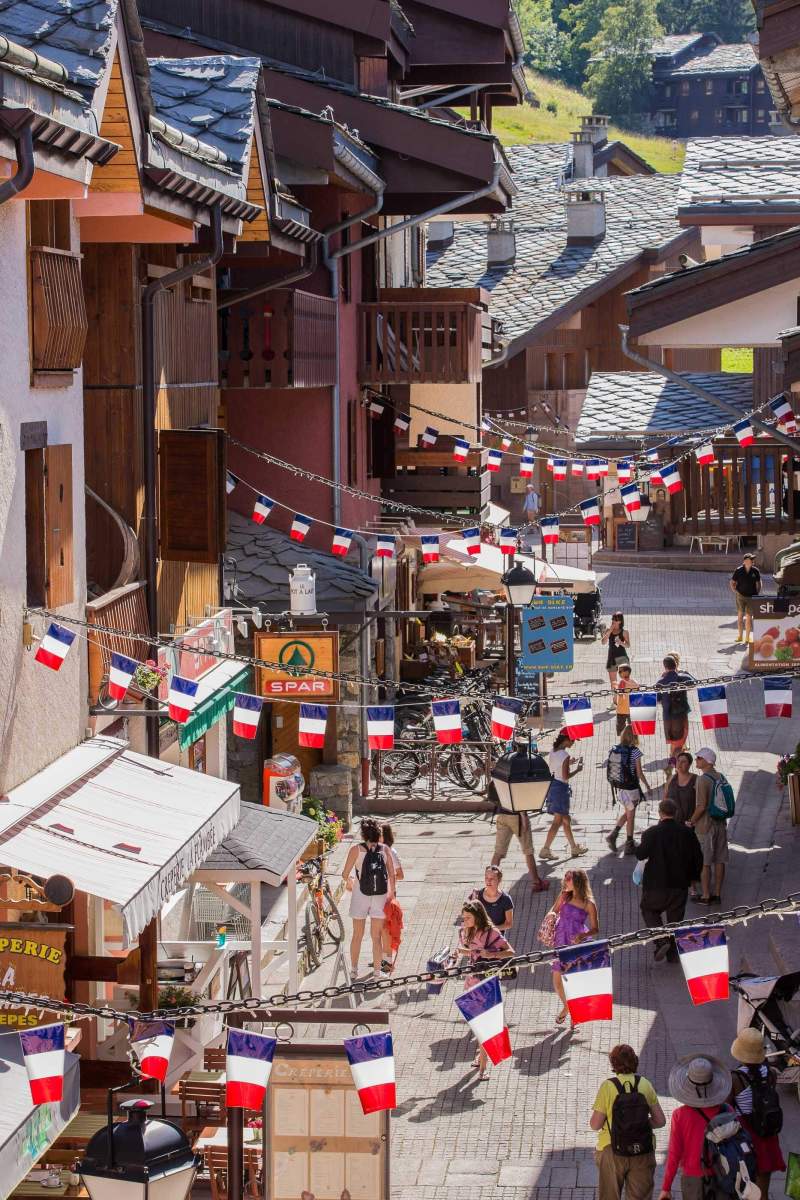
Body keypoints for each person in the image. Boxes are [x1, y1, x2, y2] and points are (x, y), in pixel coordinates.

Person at [590, 1043, 666, 1200]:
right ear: (635, 1061)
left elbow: (595, 1125)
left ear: (614, 1064)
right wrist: (640, 1125)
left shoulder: (608, 1087)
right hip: (642, 1150)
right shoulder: (645, 1084)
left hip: (612, 1150)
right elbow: (660, 1121)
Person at [634, 799, 703, 962]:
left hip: (655, 885)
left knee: (649, 910)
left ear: (660, 813)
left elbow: (640, 854)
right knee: (675, 920)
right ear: (676, 813)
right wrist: (693, 878)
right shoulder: (687, 833)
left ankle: (661, 939)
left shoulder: (652, 833)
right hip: (679, 885)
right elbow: (698, 857)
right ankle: (672, 954)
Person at [659, 1055, 733, 1200]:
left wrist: (666, 1187)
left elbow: (674, 1154)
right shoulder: (727, 1110)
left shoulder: (680, 1115)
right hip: (725, 1175)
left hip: (693, 1179)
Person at [454, 900, 514, 1079]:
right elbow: (473, 953)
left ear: (477, 916)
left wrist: (492, 954)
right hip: (472, 981)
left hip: (487, 983)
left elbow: (510, 951)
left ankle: (482, 1067)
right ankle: (481, 1056)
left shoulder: (491, 932)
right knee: (476, 1022)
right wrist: (460, 952)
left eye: (467, 918)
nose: (464, 921)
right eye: (463, 918)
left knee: (485, 1023)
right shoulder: (467, 932)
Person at [729, 1028, 785, 1200]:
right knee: (762, 1190)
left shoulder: (735, 1078)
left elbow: (728, 1109)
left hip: (745, 1136)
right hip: (766, 1133)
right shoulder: (770, 1074)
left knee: (741, 1186)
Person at [341, 819, 396, 980]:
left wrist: (350, 882)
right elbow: (391, 874)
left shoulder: (356, 850)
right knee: (376, 936)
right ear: (379, 834)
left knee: (357, 935)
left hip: (360, 895)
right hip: (380, 896)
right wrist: (391, 893)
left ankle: (354, 969)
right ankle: (378, 972)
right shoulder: (385, 850)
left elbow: (345, 874)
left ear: (363, 834)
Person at [547, 869, 598, 1024]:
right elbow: (554, 910)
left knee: (574, 980)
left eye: (568, 879)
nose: (565, 881)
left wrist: (582, 936)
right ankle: (568, 1007)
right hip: (560, 941)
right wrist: (552, 916)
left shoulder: (589, 904)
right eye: (565, 878)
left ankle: (573, 1011)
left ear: (577, 882)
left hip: (577, 945)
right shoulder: (564, 895)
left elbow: (595, 929)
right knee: (557, 981)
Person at [540, 730, 588, 861]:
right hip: (561, 789)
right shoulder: (565, 755)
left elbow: (556, 767)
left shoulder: (553, 751)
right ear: (566, 739)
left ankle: (573, 847)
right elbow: (566, 777)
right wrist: (577, 770)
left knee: (566, 820)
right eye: (572, 740)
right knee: (558, 821)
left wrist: (568, 763)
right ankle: (545, 849)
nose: (573, 743)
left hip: (552, 786)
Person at [690, 748, 728, 906]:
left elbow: (701, 806)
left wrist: (691, 821)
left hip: (705, 826)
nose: (696, 760)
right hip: (720, 823)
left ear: (707, 761)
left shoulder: (702, 780)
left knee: (705, 862)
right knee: (720, 859)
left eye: (699, 758)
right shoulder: (721, 777)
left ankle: (706, 895)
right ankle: (717, 894)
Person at [606, 726, 651, 855]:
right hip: (631, 788)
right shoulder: (635, 751)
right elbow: (639, 773)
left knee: (628, 812)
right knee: (631, 815)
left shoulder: (615, 749)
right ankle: (628, 843)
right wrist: (647, 786)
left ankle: (615, 835)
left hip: (619, 788)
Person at [666, 752, 701, 901]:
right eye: (678, 761)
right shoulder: (672, 779)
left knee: (689, 856)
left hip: (689, 825)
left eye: (684, 762)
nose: (680, 764)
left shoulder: (695, 780)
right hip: (673, 824)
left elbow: (701, 802)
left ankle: (692, 885)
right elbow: (665, 799)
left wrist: (693, 821)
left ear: (689, 764)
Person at [492, 806, 550, 892]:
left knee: (498, 852)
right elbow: (518, 798)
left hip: (502, 813)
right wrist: (524, 816)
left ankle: (491, 884)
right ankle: (536, 882)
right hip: (517, 815)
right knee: (528, 851)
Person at [655, 655, 694, 781]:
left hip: (667, 720)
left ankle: (672, 767)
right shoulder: (681, 677)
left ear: (665, 667)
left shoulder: (661, 681)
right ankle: (673, 768)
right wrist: (683, 672)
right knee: (678, 747)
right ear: (676, 665)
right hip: (680, 718)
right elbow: (693, 682)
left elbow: (657, 699)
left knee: (674, 746)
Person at [380, 824, 404, 973]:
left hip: (388, 896)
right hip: (376, 896)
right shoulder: (372, 850)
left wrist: (389, 878)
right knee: (380, 930)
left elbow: (400, 874)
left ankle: (386, 962)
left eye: (380, 834)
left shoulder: (390, 852)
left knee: (386, 930)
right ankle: (382, 958)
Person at [468, 865, 514, 931]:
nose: (488, 881)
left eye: (492, 878)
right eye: (486, 878)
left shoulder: (506, 899)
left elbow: (509, 924)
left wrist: (492, 929)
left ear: (499, 880)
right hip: (479, 937)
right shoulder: (477, 895)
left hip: (496, 938)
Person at [730, 553, 762, 644]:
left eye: (752, 560)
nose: (752, 561)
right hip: (740, 596)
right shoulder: (739, 570)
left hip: (751, 597)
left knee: (749, 617)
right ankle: (740, 636)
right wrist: (735, 591)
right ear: (745, 561)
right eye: (750, 559)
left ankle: (747, 638)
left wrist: (757, 593)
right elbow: (732, 582)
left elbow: (759, 583)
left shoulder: (755, 571)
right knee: (740, 616)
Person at [602, 612, 631, 699]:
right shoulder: (608, 630)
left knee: (625, 680)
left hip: (622, 658)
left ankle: (626, 700)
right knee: (613, 682)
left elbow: (628, 645)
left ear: (620, 621)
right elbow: (603, 642)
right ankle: (615, 701)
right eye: (612, 619)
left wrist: (621, 642)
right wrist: (610, 631)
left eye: (615, 619)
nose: (613, 621)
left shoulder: (624, 632)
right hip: (611, 658)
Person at [614, 663, 639, 736]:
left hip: (622, 709)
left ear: (626, 672)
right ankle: (633, 740)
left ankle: (623, 740)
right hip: (632, 708)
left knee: (621, 726)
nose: (619, 673)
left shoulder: (622, 682)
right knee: (632, 726)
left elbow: (621, 695)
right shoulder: (634, 682)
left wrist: (616, 689)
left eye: (620, 671)